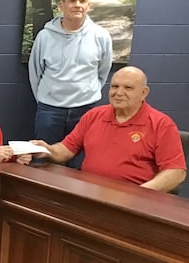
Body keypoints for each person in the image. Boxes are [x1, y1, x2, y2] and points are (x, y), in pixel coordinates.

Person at [32, 66, 186, 192]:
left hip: (132, 202)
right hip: (88, 194)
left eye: (128, 88)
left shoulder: (161, 124)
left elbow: (176, 172)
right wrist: (47, 150)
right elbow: (66, 150)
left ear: (143, 93)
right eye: (114, 86)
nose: (119, 93)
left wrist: (140, 194)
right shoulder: (94, 115)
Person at [28, 0, 113, 168]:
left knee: (79, 166)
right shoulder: (44, 36)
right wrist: (45, 97)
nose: (77, 5)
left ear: (89, 5)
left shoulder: (101, 36)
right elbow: (35, 72)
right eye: (72, 1)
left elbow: (103, 71)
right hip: (49, 110)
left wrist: (88, 91)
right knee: (42, 163)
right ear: (62, 5)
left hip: (85, 110)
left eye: (82, 1)